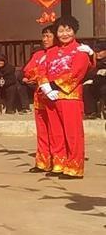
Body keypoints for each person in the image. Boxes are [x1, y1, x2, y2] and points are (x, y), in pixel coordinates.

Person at [40, 16, 92, 179]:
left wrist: (54, 85)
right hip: (51, 97)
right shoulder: (51, 52)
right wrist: (45, 86)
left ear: (74, 31)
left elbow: (77, 73)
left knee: (72, 133)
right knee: (55, 132)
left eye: (68, 30)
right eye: (61, 30)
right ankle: (59, 163)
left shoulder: (80, 51)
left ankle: (74, 167)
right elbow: (42, 70)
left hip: (70, 96)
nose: (64, 34)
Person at [23, 26, 58, 173]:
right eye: (44, 36)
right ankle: (43, 162)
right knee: (42, 131)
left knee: (55, 131)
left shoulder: (59, 54)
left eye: (49, 36)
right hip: (39, 96)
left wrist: (39, 75)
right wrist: (39, 76)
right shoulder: (38, 54)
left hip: (54, 97)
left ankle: (57, 162)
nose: (45, 39)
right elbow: (28, 71)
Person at [82, 40, 106, 119]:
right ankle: (91, 112)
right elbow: (89, 73)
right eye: (96, 51)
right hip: (96, 85)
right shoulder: (93, 61)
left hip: (103, 85)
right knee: (86, 87)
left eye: (100, 51)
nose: (97, 53)